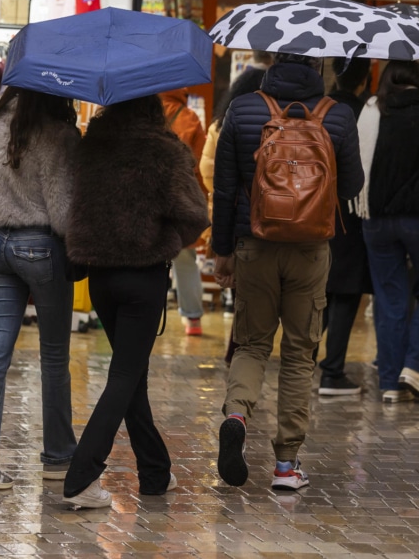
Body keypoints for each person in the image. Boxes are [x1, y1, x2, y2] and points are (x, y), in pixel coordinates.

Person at [212, 52, 363, 491]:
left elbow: (224, 189)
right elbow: (351, 186)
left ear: (274, 60)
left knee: (252, 344)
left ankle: (237, 415)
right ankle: (286, 466)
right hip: (311, 248)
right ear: (319, 68)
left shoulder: (242, 110)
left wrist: (223, 250)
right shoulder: (339, 117)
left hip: (253, 245)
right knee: (299, 354)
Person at [61, 95, 209, 508]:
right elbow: (195, 214)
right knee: (125, 375)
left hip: (101, 277)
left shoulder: (91, 146)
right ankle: (81, 476)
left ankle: (155, 471)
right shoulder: (166, 150)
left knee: (132, 375)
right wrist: (166, 241)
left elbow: (76, 206)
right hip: (144, 278)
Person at [0, 86, 80, 489]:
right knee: (54, 356)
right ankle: (59, 457)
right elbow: (61, 212)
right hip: (41, 247)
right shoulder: (58, 135)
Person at [353, 60, 419, 403]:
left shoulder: (374, 114)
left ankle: (389, 383)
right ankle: (415, 365)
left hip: (375, 220)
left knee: (389, 299)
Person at [202, 56, 271, 329]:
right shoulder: (271, 124)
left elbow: (208, 171)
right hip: (263, 216)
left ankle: (234, 311)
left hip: (226, 211)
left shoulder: (219, 126)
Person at [317, 57, 373, 396]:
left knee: (318, 290)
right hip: (349, 210)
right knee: (346, 290)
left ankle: (304, 361)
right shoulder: (363, 112)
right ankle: (332, 371)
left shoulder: (319, 108)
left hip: (315, 208)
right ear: (363, 79)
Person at [159, 88, 207, 336]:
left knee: (150, 257)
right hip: (181, 200)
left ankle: (149, 314)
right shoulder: (188, 117)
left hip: (150, 198)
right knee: (186, 260)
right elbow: (199, 167)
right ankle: (193, 319)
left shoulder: (145, 113)